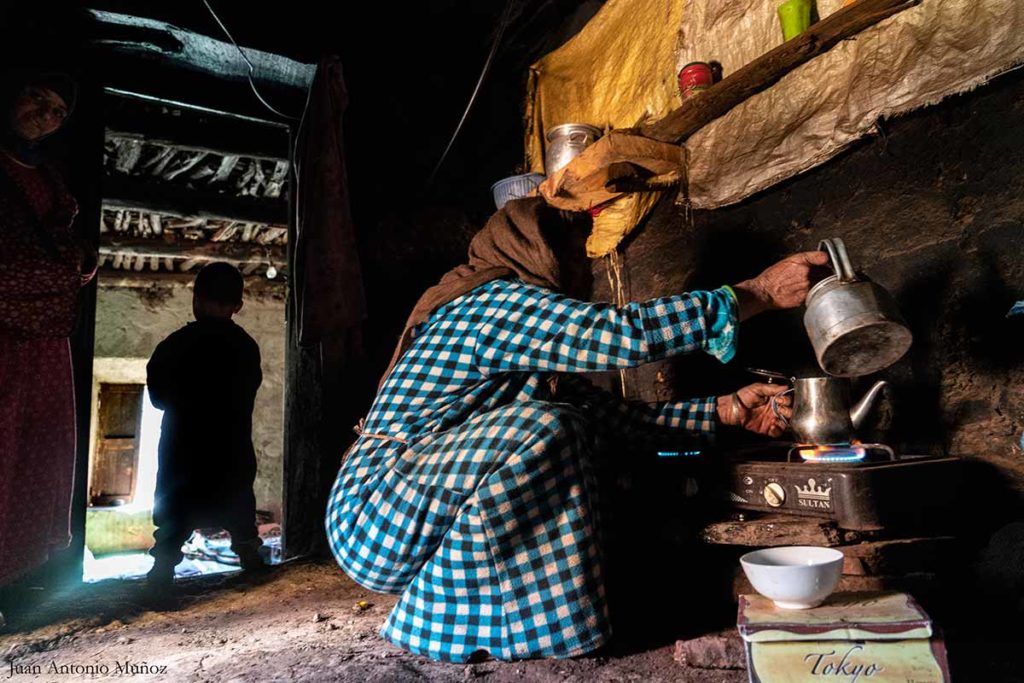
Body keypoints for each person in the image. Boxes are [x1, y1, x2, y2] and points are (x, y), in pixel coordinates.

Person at [324, 197, 830, 662]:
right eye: (574, 256)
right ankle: (434, 624)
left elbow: (623, 423)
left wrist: (729, 409)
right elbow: (622, 334)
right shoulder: (490, 304)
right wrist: (756, 292)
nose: (585, 272)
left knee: (561, 423)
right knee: (546, 429)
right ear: (538, 253)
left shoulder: (531, 360)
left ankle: (488, 619)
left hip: (401, 517)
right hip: (371, 513)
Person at [0, 70, 94, 601]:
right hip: (8, 335)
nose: (44, 114)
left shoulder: (53, 183)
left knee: (35, 451)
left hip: (42, 339)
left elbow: (70, 255)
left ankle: (10, 582)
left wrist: (69, 266)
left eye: (58, 110)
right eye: (36, 97)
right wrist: (59, 272)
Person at [145, 262, 265, 586]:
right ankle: (250, 557)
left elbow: (157, 398)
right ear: (238, 306)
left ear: (194, 299)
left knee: (173, 513)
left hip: (180, 452)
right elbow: (249, 389)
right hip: (231, 449)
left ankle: (162, 569)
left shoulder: (173, 345)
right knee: (239, 505)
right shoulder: (245, 347)